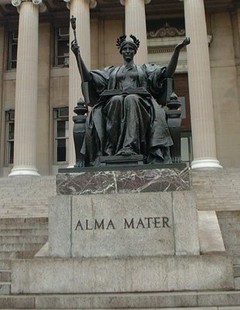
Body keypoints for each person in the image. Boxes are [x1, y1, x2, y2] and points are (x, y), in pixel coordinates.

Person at [71, 35, 190, 166]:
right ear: (121, 51)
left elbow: (167, 73)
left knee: (131, 99)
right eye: (125, 48)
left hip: (142, 105)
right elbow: (88, 77)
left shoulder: (145, 70)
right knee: (116, 100)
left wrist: (177, 50)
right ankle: (111, 149)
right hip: (114, 104)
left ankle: (130, 147)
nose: (128, 51)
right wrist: (78, 56)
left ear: (135, 51)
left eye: (131, 49)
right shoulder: (112, 72)